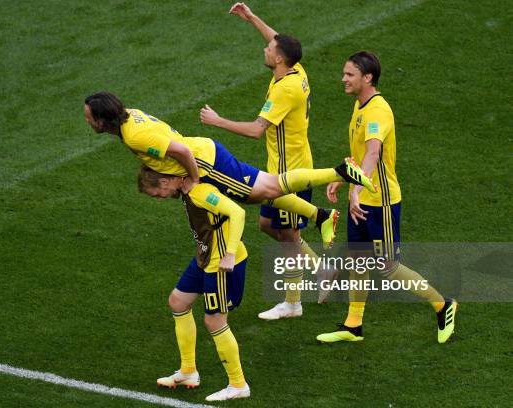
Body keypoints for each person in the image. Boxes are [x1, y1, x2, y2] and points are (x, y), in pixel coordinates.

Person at [84, 92, 376, 249]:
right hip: (205, 155)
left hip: (204, 162)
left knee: (270, 188)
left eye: (89, 117)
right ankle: (323, 215)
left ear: (101, 119)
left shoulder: (135, 136)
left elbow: (182, 151)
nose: (87, 121)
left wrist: (195, 179)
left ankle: (340, 172)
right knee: (261, 194)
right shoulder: (131, 117)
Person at [316, 51, 457, 344]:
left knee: (387, 266)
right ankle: (353, 325)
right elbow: (359, 154)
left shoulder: (377, 110)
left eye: (349, 74)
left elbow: (373, 153)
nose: (343, 78)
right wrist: (342, 180)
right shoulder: (360, 105)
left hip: (381, 204)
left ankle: (443, 304)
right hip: (362, 201)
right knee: (358, 262)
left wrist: (356, 188)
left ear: (367, 78)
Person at [199, 2, 322, 319]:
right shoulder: (295, 69)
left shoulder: (285, 90)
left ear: (279, 58)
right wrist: (251, 17)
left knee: (290, 236)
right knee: (269, 225)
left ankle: (293, 302)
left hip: (290, 174)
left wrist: (217, 121)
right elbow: (278, 37)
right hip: (282, 168)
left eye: (270, 48)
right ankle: (324, 270)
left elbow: (256, 130)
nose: (266, 48)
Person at [138, 165, 250, 401]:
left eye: (157, 194)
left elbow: (237, 213)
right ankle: (188, 371)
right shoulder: (188, 190)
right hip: (205, 256)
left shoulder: (200, 192)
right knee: (178, 302)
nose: (159, 199)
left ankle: (238, 384)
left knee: (214, 320)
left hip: (221, 262)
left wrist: (229, 254)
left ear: (166, 182)